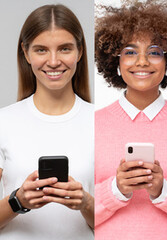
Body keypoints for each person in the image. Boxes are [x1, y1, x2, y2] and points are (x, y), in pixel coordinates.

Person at [92, 0, 167, 239]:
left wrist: (162, 191)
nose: (142, 61)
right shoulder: (92, 124)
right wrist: (116, 189)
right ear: (116, 62)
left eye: (155, 52)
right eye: (130, 52)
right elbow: (75, 213)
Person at [0, 4, 94, 239]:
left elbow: (122, 226)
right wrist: (17, 201)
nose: (53, 61)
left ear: (79, 52)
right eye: (41, 50)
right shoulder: (4, 122)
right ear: (26, 52)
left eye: (64, 49)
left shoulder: (103, 122)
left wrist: (86, 202)